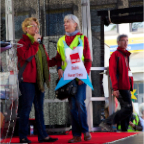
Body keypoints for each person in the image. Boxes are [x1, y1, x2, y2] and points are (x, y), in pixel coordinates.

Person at [17, 17, 59, 143]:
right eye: (33, 26)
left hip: (38, 81)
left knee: (39, 108)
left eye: (37, 26)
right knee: (26, 108)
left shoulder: (39, 44)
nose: (36, 28)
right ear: (26, 29)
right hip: (27, 81)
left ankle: (43, 136)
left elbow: (45, 62)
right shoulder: (22, 43)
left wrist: (57, 59)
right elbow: (26, 57)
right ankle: (23, 136)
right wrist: (35, 43)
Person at [55, 14, 92, 143]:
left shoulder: (83, 38)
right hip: (68, 78)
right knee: (72, 107)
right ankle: (76, 135)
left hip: (80, 77)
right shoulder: (61, 40)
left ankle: (85, 131)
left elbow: (88, 59)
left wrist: (84, 75)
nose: (65, 24)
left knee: (79, 104)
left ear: (75, 24)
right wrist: (59, 67)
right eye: (64, 22)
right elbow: (58, 58)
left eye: (67, 22)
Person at [99, 34, 134, 132]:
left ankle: (124, 130)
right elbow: (113, 72)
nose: (126, 42)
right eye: (123, 40)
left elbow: (128, 72)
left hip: (126, 87)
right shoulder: (115, 55)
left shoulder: (125, 55)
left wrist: (131, 86)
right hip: (121, 87)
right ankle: (107, 122)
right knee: (128, 108)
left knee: (127, 109)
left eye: (127, 40)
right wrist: (115, 88)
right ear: (118, 42)